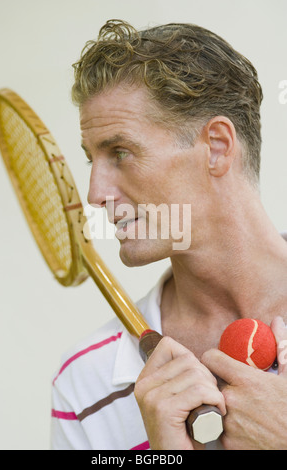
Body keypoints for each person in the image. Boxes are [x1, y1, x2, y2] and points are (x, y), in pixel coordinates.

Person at [51, 19, 287, 450]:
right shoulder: (85, 385)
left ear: (216, 147)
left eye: (120, 152)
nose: (95, 194)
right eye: (92, 160)